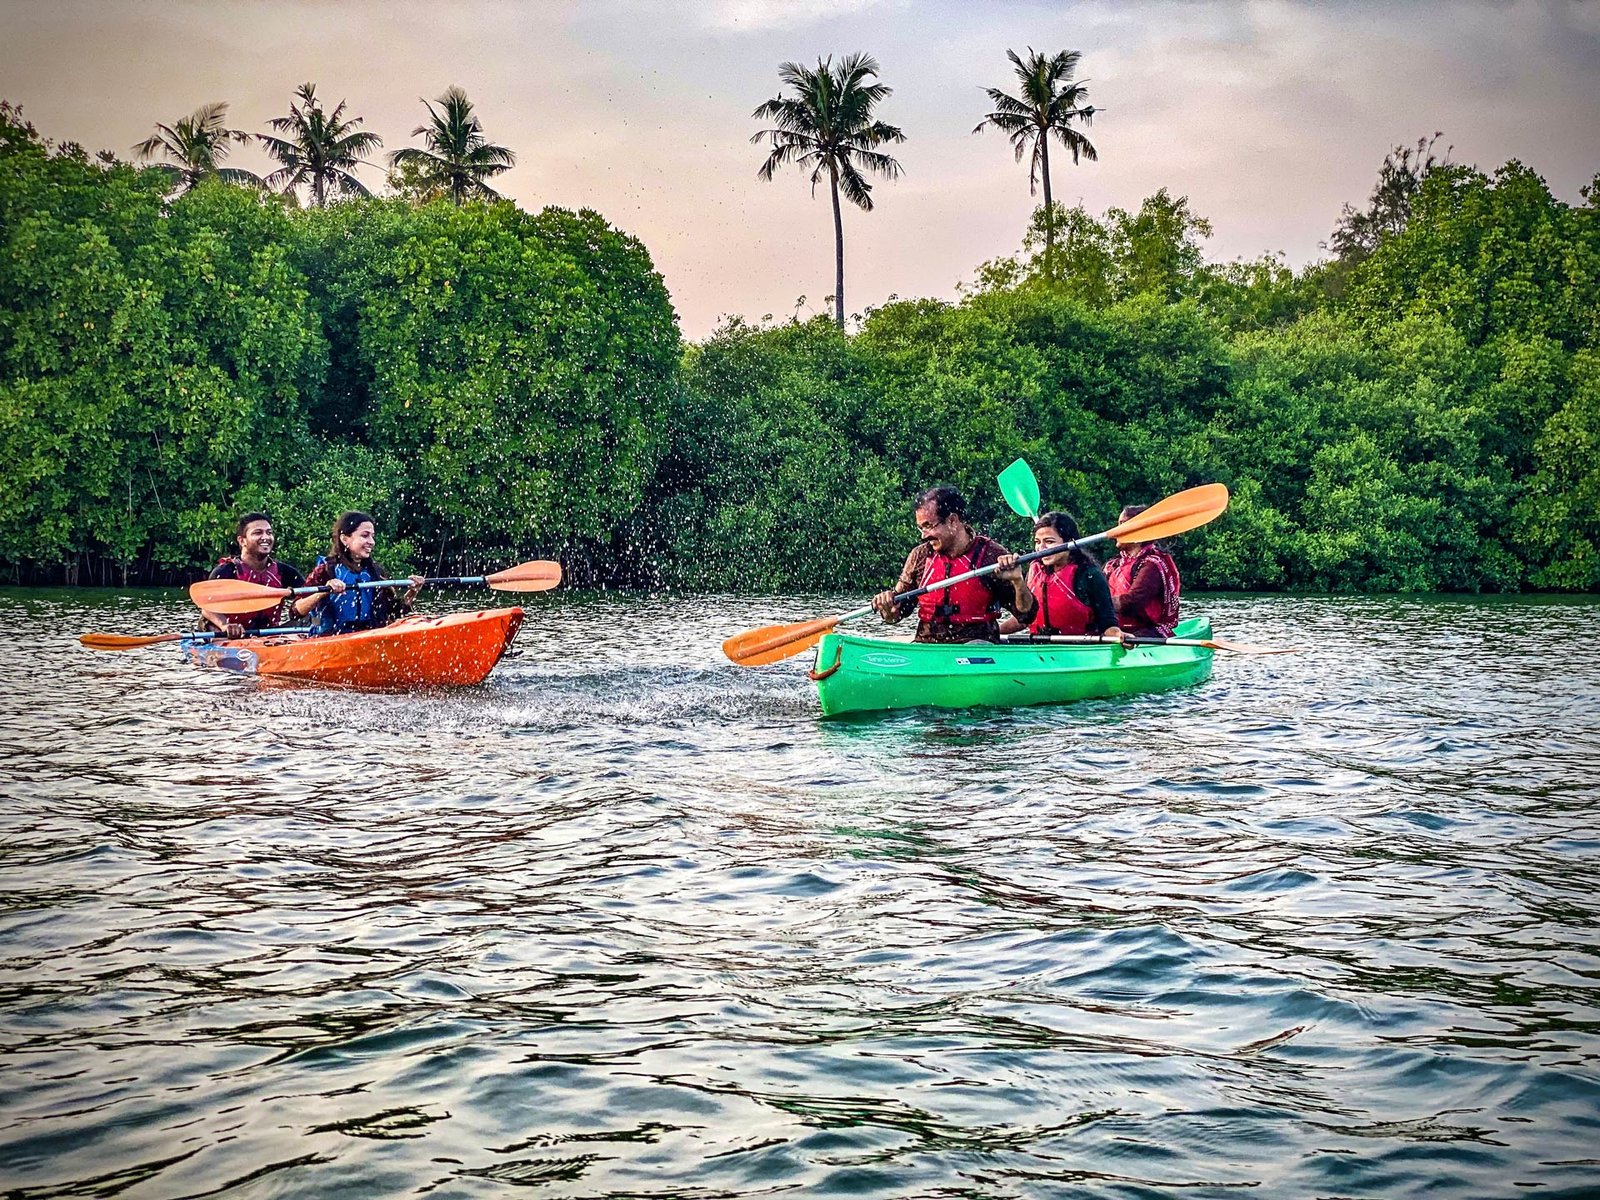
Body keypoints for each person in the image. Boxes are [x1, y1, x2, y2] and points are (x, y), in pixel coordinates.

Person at [871, 486, 1034, 643]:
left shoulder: (991, 555)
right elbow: (897, 613)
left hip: (978, 646)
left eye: (928, 526)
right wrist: (888, 610)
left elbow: (1026, 615)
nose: (923, 536)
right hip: (928, 645)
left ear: (952, 520)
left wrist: (1018, 582)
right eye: (920, 528)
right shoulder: (919, 556)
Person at [994, 512, 1122, 640]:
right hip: (1040, 648)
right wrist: (993, 633)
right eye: (1037, 542)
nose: (1041, 548)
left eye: (1049, 541)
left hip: (1080, 648)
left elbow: (1108, 623)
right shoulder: (1035, 570)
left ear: (1070, 542)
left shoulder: (1089, 574)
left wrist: (1118, 635)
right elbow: (1026, 618)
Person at [293, 511, 424, 635]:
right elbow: (296, 611)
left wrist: (412, 592)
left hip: (368, 637)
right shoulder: (325, 571)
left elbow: (395, 613)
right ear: (345, 539)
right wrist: (324, 591)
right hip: (331, 639)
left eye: (372, 536)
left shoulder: (375, 573)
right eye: (365, 535)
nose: (372, 542)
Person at [200, 512, 305, 638]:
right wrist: (225, 625)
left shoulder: (285, 572)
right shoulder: (225, 571)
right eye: (258, 533)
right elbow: (206, 607)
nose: (266, 537)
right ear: (242, 541)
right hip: (230, 633)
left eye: (269, 533)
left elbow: (305, 598)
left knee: (309, 619)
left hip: (268, 633)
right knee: (212, 626)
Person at [1104, 504, 1182, 638]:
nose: (1116, 530)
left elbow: (1132, 603)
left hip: (1148, 630)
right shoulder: (1113, 565)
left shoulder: (1152, 565)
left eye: (1122, 524)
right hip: (1116, 628)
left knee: (1138, 634)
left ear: (1140, 531)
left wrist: (1098, 603)